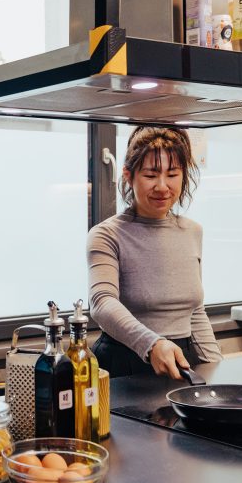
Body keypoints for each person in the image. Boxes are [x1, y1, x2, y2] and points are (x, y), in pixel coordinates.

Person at [87, 126, 222, 380]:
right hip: (123, 362)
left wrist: (218, 369)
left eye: (172, 174)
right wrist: (152, 345)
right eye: (150, 175)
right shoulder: (106, 234)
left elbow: (194, 312)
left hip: (181, 362)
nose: (163, 186)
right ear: (128, 175)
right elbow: (102, 303)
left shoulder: (192, 231)